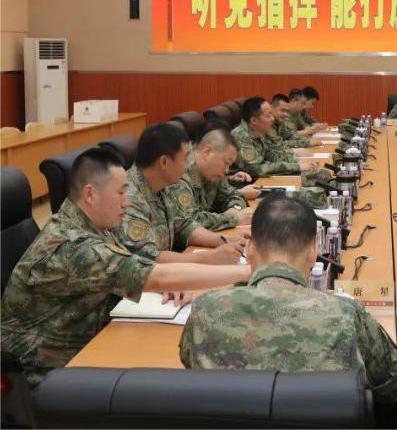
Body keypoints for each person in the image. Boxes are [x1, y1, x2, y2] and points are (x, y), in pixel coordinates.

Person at [1, 147, 251, 388]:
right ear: (90, 194)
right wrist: (250, 271)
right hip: (43, 371)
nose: (126, 202)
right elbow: (156, 276)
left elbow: (133, 267)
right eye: (121, 192)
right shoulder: (71, 245)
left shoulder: (93, 225)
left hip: (85, 341)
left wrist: (159, 285)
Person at [179, 195, 397, 403]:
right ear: (313, 251)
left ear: (249, 249)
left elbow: (192, 367)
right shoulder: (346, 314)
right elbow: (396, 384)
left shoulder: (206, 310)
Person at [118, 123, 245, 263]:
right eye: (185, 159)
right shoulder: (129, 199)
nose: (187, 165)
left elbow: (184, 225)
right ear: (164, 162)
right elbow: (149, 258)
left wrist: (226, 240)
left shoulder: (162, 185)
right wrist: (209, 258)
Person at [167, 128, 255, 235]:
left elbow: (232, 194)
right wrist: (233, 218)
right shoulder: (180, 173)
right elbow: (189, 222)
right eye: (226, 163)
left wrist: (235, 208)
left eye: (229, 165)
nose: (227, 170)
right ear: (207, 152)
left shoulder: (212, 172)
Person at [231, 97, 318, 178]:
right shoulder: (240, 136)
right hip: (244, 185)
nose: (272, 119)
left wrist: (296, 161)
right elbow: (256, 170)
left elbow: (271, 154)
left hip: (260, 180)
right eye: (268, 115)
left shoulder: (259, 131)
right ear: (254, 120)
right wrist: (295, 167)